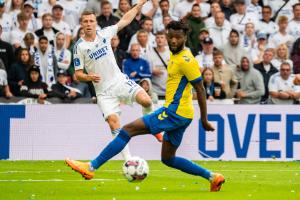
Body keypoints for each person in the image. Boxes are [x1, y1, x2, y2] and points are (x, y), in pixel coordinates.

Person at [65, 21, 225, 192]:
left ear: (185, 37)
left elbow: (200, 88)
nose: (173, 41)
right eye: (171, 37)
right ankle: (212, 177)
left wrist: (205, 119)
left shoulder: (186, 60)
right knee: (168, 159)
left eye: (178, 38)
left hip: (174, 113)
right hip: (181, 115)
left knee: (127, 130)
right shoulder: (176, 56)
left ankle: (90, 168)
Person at [71, 4, 163, 161]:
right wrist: (89, 77)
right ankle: (129, 161)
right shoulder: (79, 47)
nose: (88, 24)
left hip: (119, 81)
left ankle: (153, 127)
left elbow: (125, 19)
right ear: (81, 24)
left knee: (147, 101)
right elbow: (77, 75)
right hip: (103, 92)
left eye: (91, 21)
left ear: (95, 23)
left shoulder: (105, 34)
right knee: (114, 123)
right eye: (85, 21)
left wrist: (139, 4)